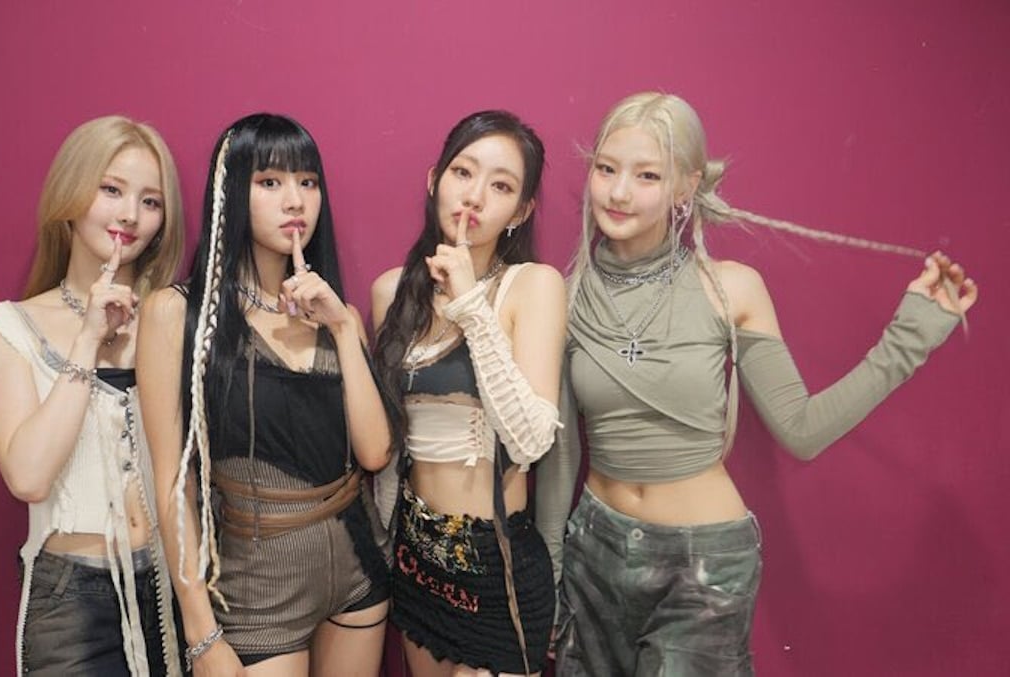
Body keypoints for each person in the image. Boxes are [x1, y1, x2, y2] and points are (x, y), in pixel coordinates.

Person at [535, 91, 979, 676]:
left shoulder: (730, 289)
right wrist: (548, 577)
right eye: (606, 168)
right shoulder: (566, 298)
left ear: (686, 187)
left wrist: (910, 338)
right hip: (593, 553)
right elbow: (561, 454)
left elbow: (801, 430)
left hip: (702, 567)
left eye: (647, 175)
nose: (618, 192)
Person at [137, 113, 395, 677]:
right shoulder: (177, 313)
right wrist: (201, 632)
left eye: (308, 181)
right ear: (231, 191)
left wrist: (343, 328)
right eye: (270, 181)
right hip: (255, 586)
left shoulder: (339, 315)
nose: (295, 200)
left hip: (357, 567)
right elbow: (172, 482)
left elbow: (375, 453)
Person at [0, 115, 186, 675]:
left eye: (151, 201)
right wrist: (87, 339)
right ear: (70, 193)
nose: (130, 215)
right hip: (72, 600)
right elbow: (29, 477)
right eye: (111, 190)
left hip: (173, 587)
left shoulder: (172, 319)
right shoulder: (2, 326)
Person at [371, 110, 567, 677]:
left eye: (501, 186)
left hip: (495, 562)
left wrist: (471, 307)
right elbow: (390, 446)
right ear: (435, 180)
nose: (475, 196)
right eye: (463, 172)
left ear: (521, 211)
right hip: (417, 559)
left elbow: (529, 442)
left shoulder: (534, 285)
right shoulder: (390, 292)